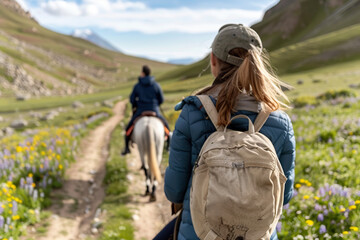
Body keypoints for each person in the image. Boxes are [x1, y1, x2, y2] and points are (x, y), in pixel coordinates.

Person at [163, 24, 296, 240]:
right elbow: (285, 195)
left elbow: (174, 191)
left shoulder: (191, 112)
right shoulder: (281, 121)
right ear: (257, 63)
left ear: (213, 60)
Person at [122, 65, 170, 155]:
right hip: (154, 110)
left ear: (143, 73)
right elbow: (161, 99)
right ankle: (168, 146)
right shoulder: (156, 85)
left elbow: (132, 99)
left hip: (141, 111)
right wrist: (156, 104)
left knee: (128, 129)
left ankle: (126, 148)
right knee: (166, 126)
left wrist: (136, 104)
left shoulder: (137, 86)